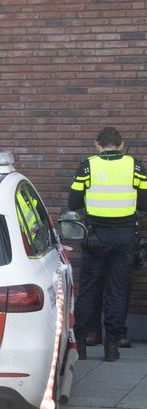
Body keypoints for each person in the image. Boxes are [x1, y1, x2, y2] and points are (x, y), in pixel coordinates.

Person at [69, 127, 147, 361]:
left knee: (89, 290)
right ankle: (111, 347)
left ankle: (81, 345)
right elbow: (144, 202)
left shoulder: (87, 166)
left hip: (95, 236)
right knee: (118, 290)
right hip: (124, 237)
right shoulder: (135, 166)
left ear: (97, 144)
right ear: (121, 145)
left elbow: (73, 203)